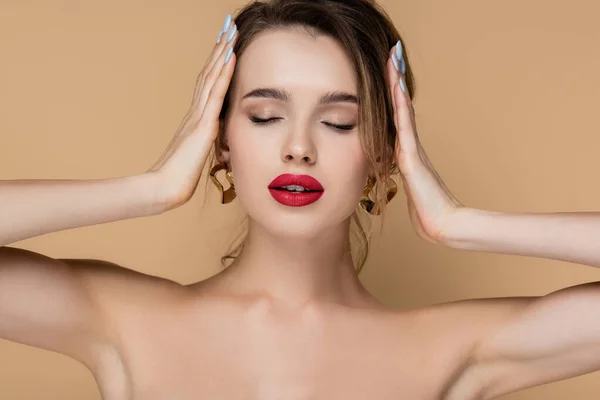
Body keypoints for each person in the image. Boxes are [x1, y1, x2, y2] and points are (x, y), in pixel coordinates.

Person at [1, 0, 600, 398]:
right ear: (220, 138)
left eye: (339, 122)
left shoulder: (455, 346)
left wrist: (460, 224)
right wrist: (150, 189)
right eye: (265, 115)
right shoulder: (117, 318)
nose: (298, 148)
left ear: (385, 152)